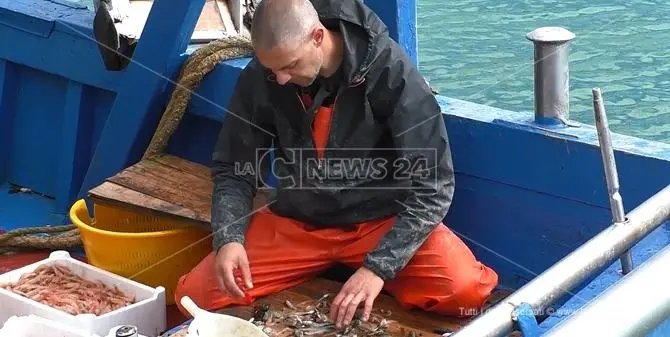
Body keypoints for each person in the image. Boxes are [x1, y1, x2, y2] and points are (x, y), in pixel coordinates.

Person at [174, 0, 498, 328]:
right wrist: (229, 237)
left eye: (290, 65)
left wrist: (378, 268)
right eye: (273, 70)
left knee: (466, 291)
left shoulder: (391, 70)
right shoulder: (264, 75)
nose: (282, 79)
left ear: (318, 36)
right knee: (195, 295)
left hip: (378, 223)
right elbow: (234, 167)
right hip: (298, 225)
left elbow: (434, 186)